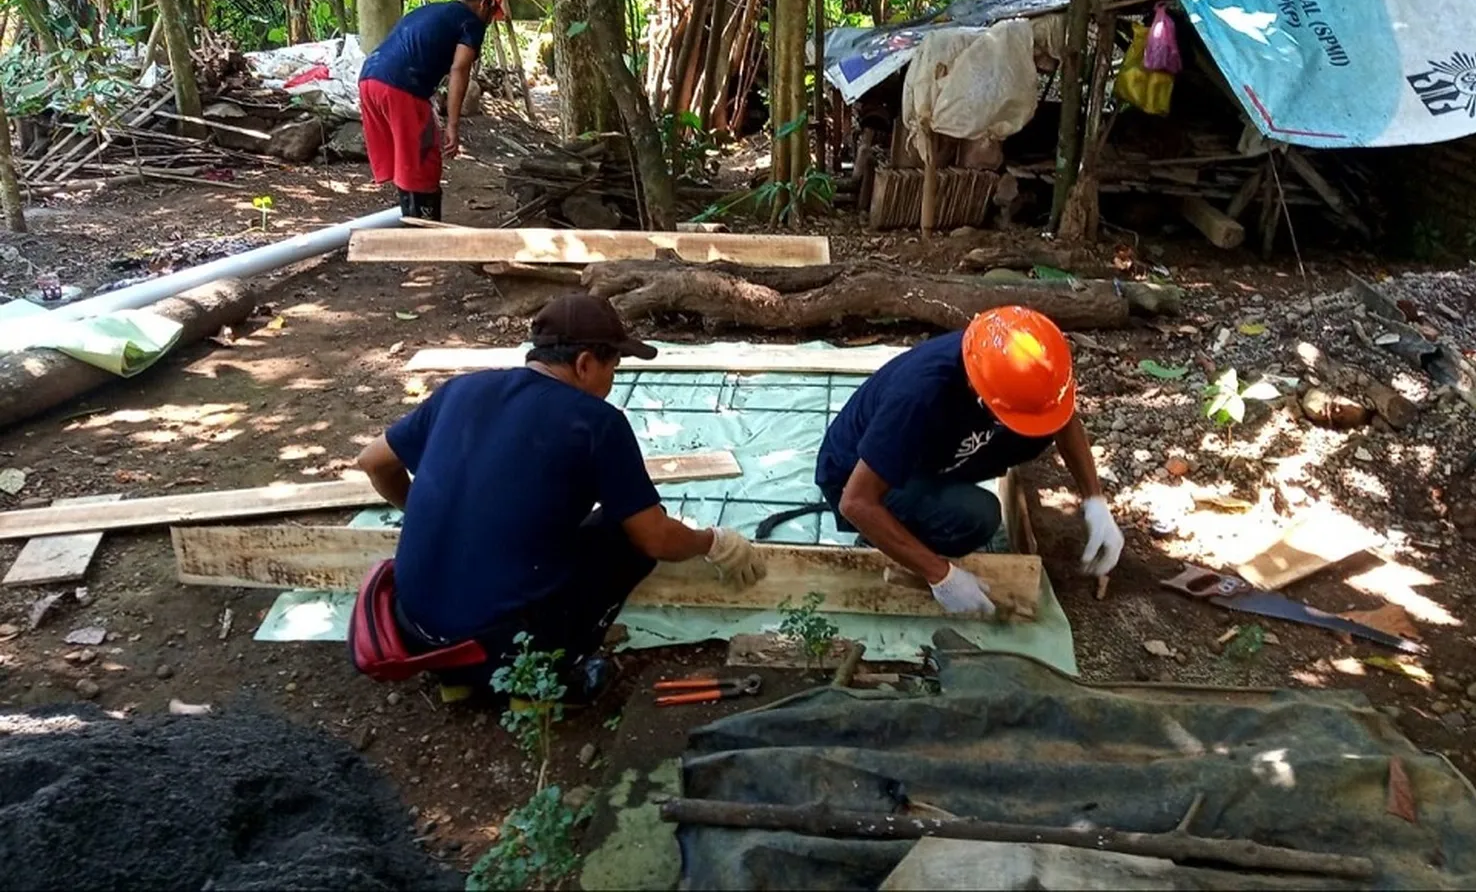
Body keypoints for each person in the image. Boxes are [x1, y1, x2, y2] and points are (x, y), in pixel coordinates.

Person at [354, 293, 765, 700]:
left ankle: (456, 682)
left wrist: (432, 514)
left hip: (412, 629)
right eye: (613, 368)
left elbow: (374, 462)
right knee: (626, 535)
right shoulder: (596, 422)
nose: (613, 382)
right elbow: (655, 537)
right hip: (499, 645)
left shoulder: (461, 389)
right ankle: (536, 680)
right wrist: (713, 542)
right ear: (585, 363)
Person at [814, 306, 1123, 615]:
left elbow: (1062, 416)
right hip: (854, 475)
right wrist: (941, 575)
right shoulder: (918, 397)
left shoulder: (1002, 359)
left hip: (929, 452)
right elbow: (856, 502)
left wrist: (1094, 499)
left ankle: (928, 497)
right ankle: (881, 538)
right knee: (976, 516)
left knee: (1034, 430)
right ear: (978, 391)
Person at [358, 0, 504, 221]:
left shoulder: (428, 10)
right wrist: (453, 125)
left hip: (369, 80)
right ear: (485, 3)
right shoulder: (471, 22)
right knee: (423, 161)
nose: (489, 21)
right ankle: (424, 238)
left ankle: (409, 222)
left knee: (406, 162)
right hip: (402, 87)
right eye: (492, 15)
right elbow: (460, 69)